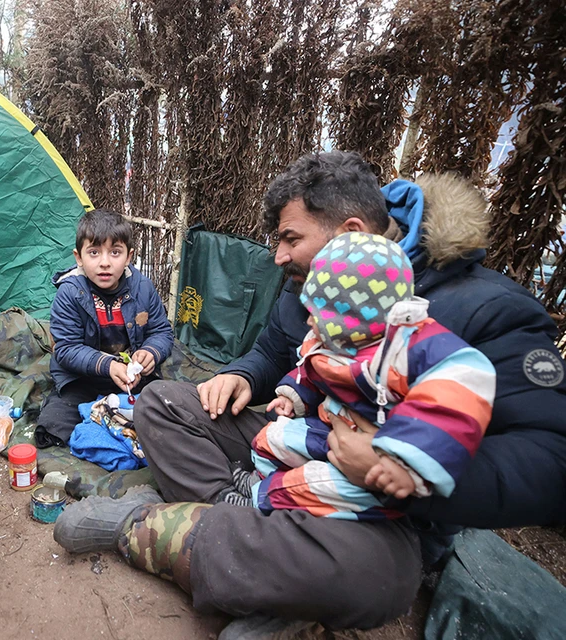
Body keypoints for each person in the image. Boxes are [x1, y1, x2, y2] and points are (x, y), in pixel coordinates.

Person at [54, 151, 566, 632]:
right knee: (163, 402)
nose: (278, 256)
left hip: (383, 510)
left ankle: (149, 528)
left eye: (289, 239)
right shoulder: (307, 283)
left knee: (375, 580)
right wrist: (241, 376)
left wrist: (397, 468)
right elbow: (273, 351)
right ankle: (260, 550)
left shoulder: (487, 309)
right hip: (299, 440)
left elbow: (549, 457)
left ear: (349, 232)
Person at [226, 232, 495, 521]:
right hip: (332, 430)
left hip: (382, 461)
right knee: (272, 438)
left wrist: (407, 460)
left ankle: (260, 501)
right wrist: (293, 394)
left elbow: (456, 395)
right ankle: (261, 480)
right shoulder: (340, 340)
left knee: (316, 483)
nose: (308, 321)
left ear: (350, 316)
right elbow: (312, 366)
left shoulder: (409, 349)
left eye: (318, 315)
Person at [35, 209, 174, 447]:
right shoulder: (69, 293)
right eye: (94, 253)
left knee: (167, 410)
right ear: (79, 257)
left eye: (115, 252)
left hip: (132, 377)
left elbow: (162, 332)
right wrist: (108, 365)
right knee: (53, 425)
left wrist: (151, 352)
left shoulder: (143, 288)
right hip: (82, 378)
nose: (105, 262)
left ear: (129, 257)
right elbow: (66, 349)